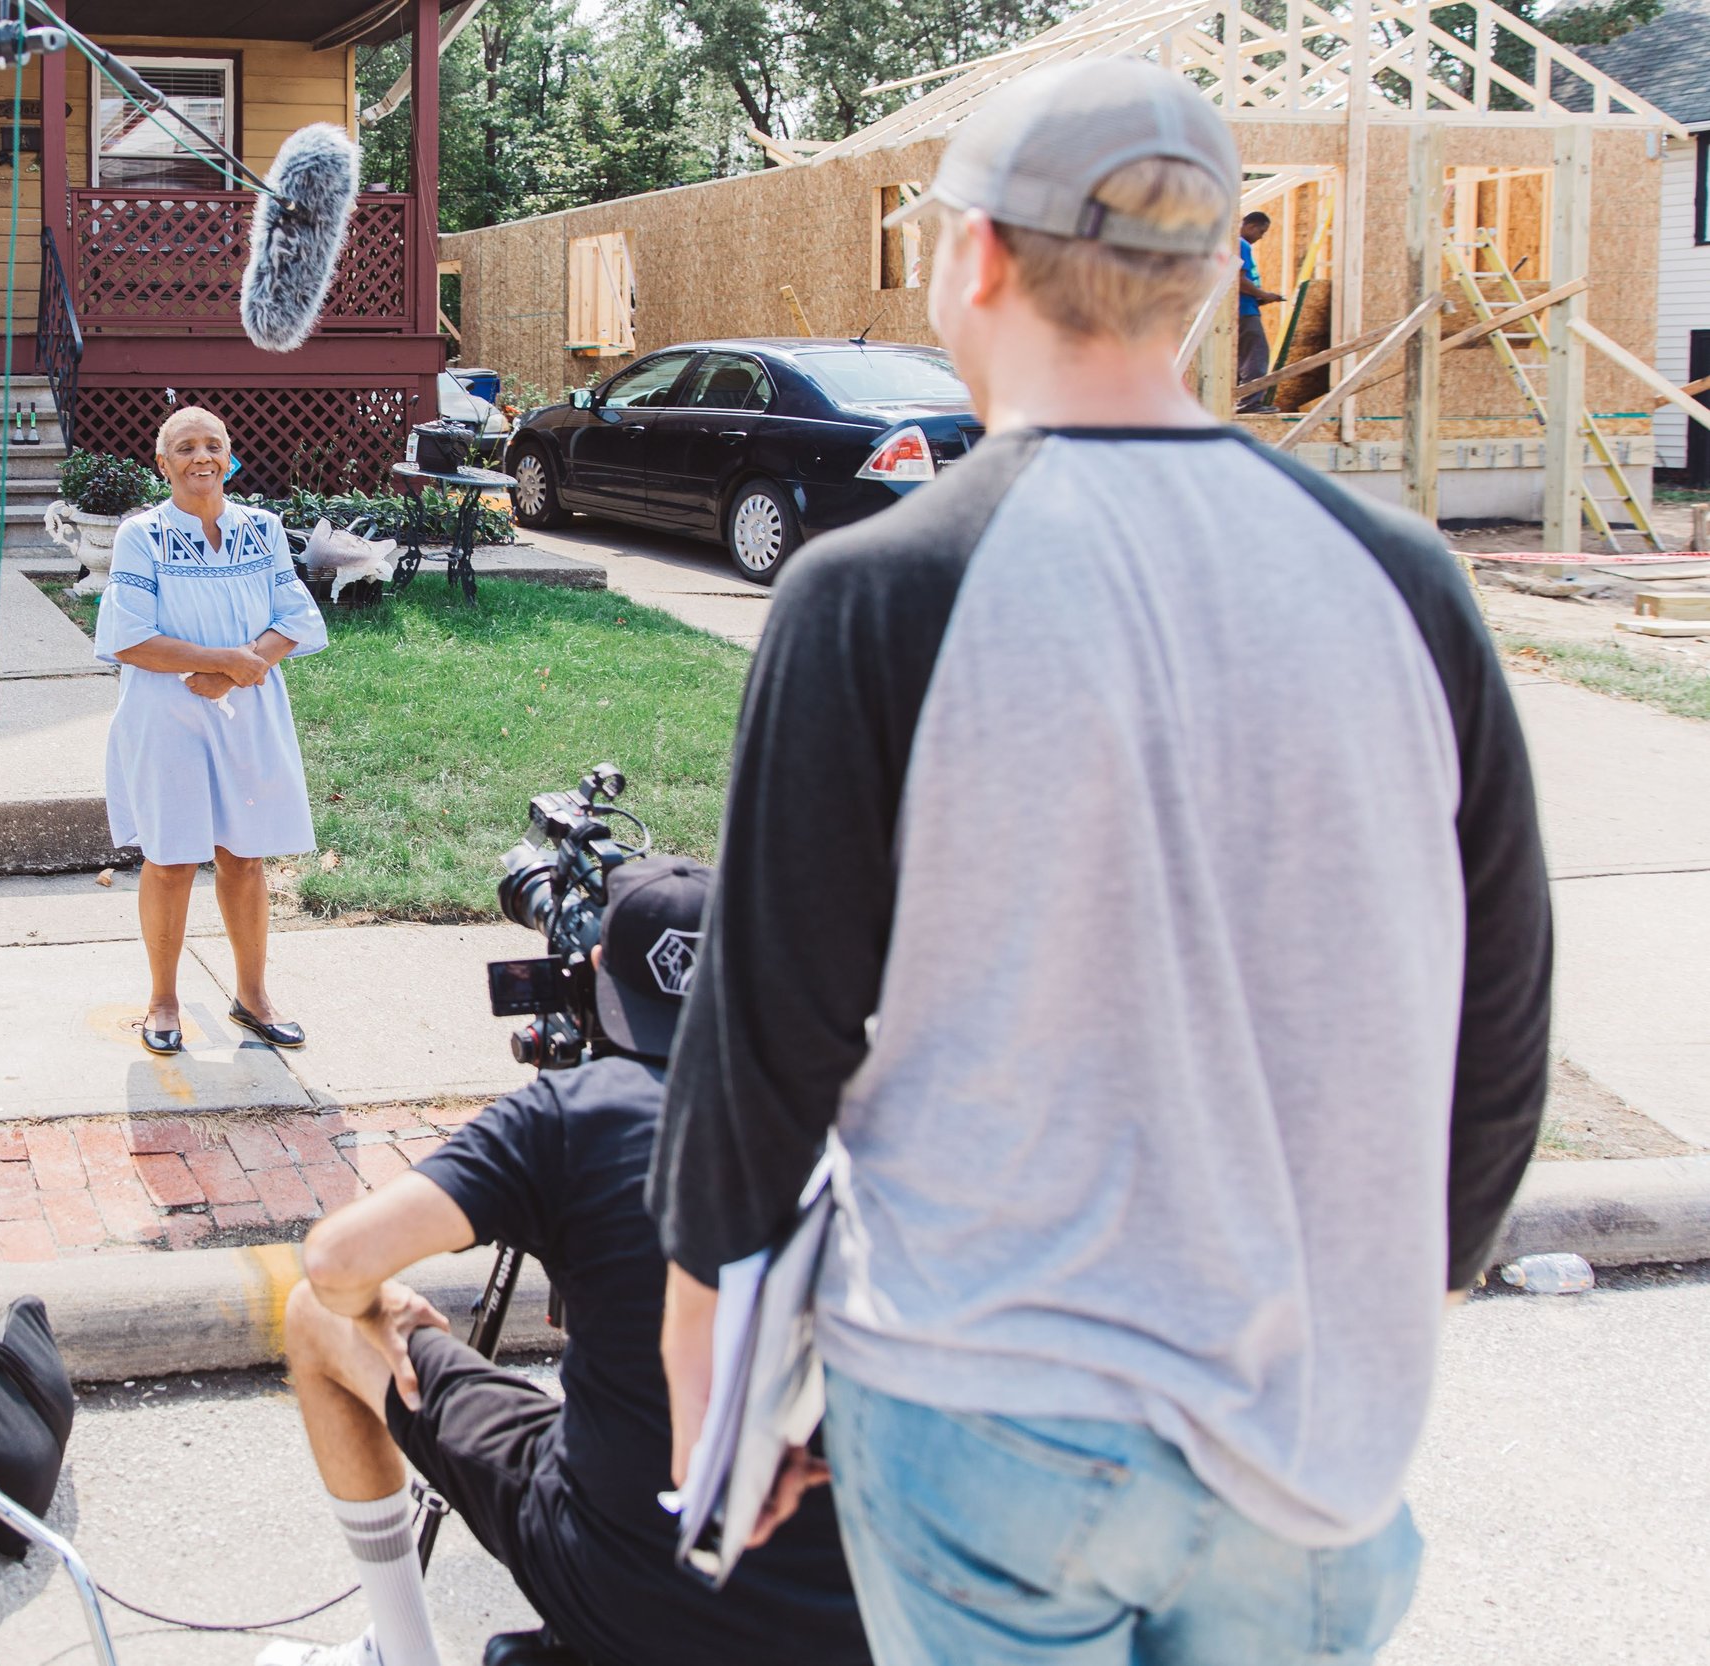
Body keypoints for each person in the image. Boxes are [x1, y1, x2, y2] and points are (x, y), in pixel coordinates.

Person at [651, 61, 1549, 1666]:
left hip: (988, 1404)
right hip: (1316, 1438)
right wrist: (1406, 1301)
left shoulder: (878, 593)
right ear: (1207, 281)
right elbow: (1501, 1026)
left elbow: (765, 1035)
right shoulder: (1405, 580)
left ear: (974, 256)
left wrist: (702, 1365)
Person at [265, 857, 869, 1666]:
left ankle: (398, 1653)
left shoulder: (569, 1115)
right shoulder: (853, 1111)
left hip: (619, 1578)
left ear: (591, 976)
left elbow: (334, 1262)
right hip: (849, 1606)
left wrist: (378, 1307)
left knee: (314, 1314)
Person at [93, 406, 328, 1056]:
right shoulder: (142, 536)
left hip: (246, 707)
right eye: (186, 447)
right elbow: (130, 639)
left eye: (213, 445)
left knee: (245, 855)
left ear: (230, 456)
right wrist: (222, 660)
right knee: (169, 861)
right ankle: (163, 1000)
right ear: (162, 463)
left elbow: (296, 617)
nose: (203, 457)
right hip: (164, 716)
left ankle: (254, 997)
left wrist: (232, 671)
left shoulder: (264, 529)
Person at [1235, 210, 1285, 410]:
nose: (1261, 237)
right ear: (1251, 226)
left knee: (1243, 357)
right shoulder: (1241, 244)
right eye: (1261, 231)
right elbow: (1238, 279)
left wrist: (1260, 298)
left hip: (1243, 308)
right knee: (1257, 354)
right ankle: (1249, 403)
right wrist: (1263, 295)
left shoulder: (1236, 244)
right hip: (1244, 311)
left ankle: (1241, 401)